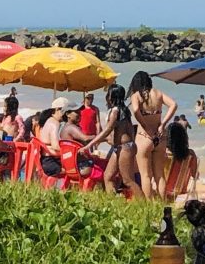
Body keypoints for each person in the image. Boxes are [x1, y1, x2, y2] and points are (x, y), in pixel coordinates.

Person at [81, 84, 140, 197]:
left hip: (125, 147)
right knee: (108, 176)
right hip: (122, 147)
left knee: (127, 180)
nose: (106, 96)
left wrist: (89, 145)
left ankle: (144, 204)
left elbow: (107, 130)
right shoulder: (123, 110)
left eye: (108, 94)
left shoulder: (115, 111)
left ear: (112, 96)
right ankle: (112, 201)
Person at [129, 71, 178, 199]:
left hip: (144, 136)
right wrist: (163, 124)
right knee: (160, 174)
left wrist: (145, 126)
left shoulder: (136, 95)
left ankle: (149, 205)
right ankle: (162, 203)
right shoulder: (158, 93)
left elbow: (136, 111)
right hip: (159, 136)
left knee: (145, 175)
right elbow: (174, 105)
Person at [163, 122, 199, 200]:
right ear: (184, 137)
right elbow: (195, 175)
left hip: (161, 188)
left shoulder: (163, 153)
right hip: (179, 189)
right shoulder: (191, 154)